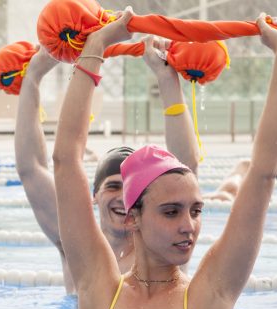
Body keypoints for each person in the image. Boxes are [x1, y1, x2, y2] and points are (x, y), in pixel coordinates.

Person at [52, 8, 277, 309]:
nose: (189, 226)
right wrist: (95, 45)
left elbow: (262, 174)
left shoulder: (210, 291)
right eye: (171, 212)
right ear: (132, 217)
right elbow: (65, 161)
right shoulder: (98, 284)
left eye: (196, 210)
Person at [13, 36, 198, 295]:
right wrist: (32, 77)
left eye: (131, 189)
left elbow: (186, 169)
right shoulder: (76, 242)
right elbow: (31, 168)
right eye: (113, 186)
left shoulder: (160, 246)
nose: (123, 197)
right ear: (94, 197)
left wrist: (168, 82)